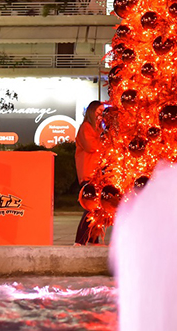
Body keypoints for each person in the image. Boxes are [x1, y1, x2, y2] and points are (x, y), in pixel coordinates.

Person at [74, 100, 103, 245]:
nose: (101, 114)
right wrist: (104, 140)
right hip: (88, 174)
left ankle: (93, 239)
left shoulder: (97, 129)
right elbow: (92, 146)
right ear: (91, 111)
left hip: (96, 175)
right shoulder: (85, 128)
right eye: (98, 110)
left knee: (96, 209)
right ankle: (80, 241)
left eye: (102, 111)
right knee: (91, 208)